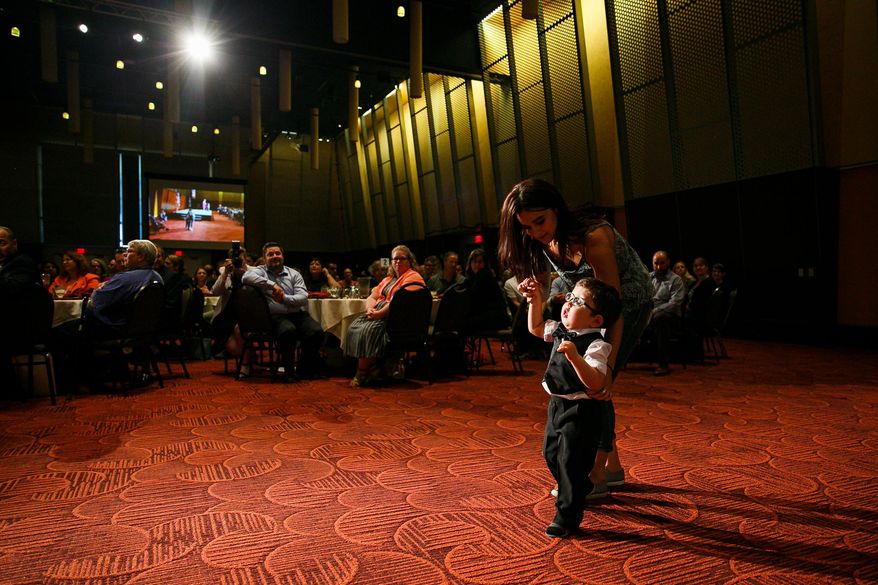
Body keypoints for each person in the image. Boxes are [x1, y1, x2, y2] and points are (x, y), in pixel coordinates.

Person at [498, 178, 653, 493]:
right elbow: (549, 290)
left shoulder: (593, 238)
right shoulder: (545, 240)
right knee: (590, 386)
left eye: (539, 221)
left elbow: (615, 308)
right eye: (526, 228)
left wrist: (606, 369)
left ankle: (594, 474)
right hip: (587, 305)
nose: (536, 232)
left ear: (556, 209)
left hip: (628, 304)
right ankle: (612, 469)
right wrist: (536, 294)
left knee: (597, 386)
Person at [519, 276, 622, 538]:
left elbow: (597, 382)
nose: (568, 303)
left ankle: (567, 516)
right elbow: (535, 327)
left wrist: (576, 357)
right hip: (556, 405)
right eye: (570, 297)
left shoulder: (597, 345)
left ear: (596, 321)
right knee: (550, 453)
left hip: (582, 412)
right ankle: (579, 485)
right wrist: (535, 300)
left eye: (577, 302)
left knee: (569, 461)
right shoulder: (561, 330)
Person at [242, 242, 324, 380]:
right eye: (270, 254)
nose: (275, 256)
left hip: (298, 314)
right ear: (264, 257)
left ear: (283, 256)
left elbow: (303, 297)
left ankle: (303, 369)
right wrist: (272, 285)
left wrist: (284, 298)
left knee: (316, 332)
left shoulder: (294, 274)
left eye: (277, 253)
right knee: (288, 331)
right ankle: (288, 371)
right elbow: (246, 277)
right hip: (275, 317)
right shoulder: (260, 271)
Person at [345, 245, 424, 387]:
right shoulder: (389, 279)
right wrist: (370, 309)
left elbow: (398, 302)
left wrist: (379, 314)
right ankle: (374, 367)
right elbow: (373, 296)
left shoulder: (413, 277)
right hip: (378, 313)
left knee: (368, 331)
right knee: (354, 326)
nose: (397, 262)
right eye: (394, 259)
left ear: (409, 261)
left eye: (401, 259)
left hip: (396, 318)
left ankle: (361, 372)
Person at [646, 250, 686, 376]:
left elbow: (675, 303)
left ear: (668, 262)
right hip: (650, 315)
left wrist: (654, 311)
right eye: (656, 263)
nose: (658, 267)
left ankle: (663, 364)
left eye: (662, 263)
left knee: (660, 318)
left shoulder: (676, 280)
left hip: (670, 316)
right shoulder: (648, 277)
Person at [464, 248, 510, 331]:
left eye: (480, 262)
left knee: (462, 324)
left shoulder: (484, 275)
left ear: (485, 263)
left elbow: (476, 301)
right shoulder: (474, 278)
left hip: (495, 318)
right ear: (470, 263)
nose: (477, 265)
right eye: (475, 262)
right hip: (495, 317)